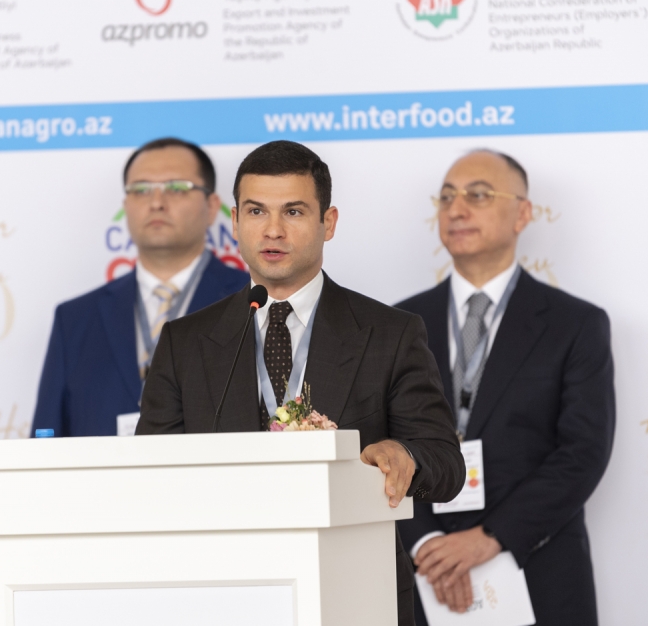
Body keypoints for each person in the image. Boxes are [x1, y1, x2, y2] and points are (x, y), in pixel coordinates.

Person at [136, 140, 465, 626]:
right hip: (221, 596)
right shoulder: (185, 343)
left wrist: (406, 455)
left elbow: (446, 463)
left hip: (352, 595)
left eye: (293, 211)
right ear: (234, 221)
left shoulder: (389, 334)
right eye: (256, 211)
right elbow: (148, 479)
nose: (273, 230)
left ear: (328, 223)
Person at [395, 150, 615, 626]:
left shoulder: (575, 324)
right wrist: (427, 543)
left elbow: (583, 452)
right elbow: (378, 443)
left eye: (477, 195)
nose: (456, 209)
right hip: (424, 575)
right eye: (447, 197)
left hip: (539, 568)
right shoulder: (396, 324)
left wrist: (490, 537)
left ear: (522, 213)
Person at [32, 137, 249, 437]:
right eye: (141, 189)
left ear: (212, 207)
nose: (156, 202)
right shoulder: (75, 320)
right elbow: (44, 442)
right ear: (126, 206)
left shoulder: (252, 302)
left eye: (177, 187)